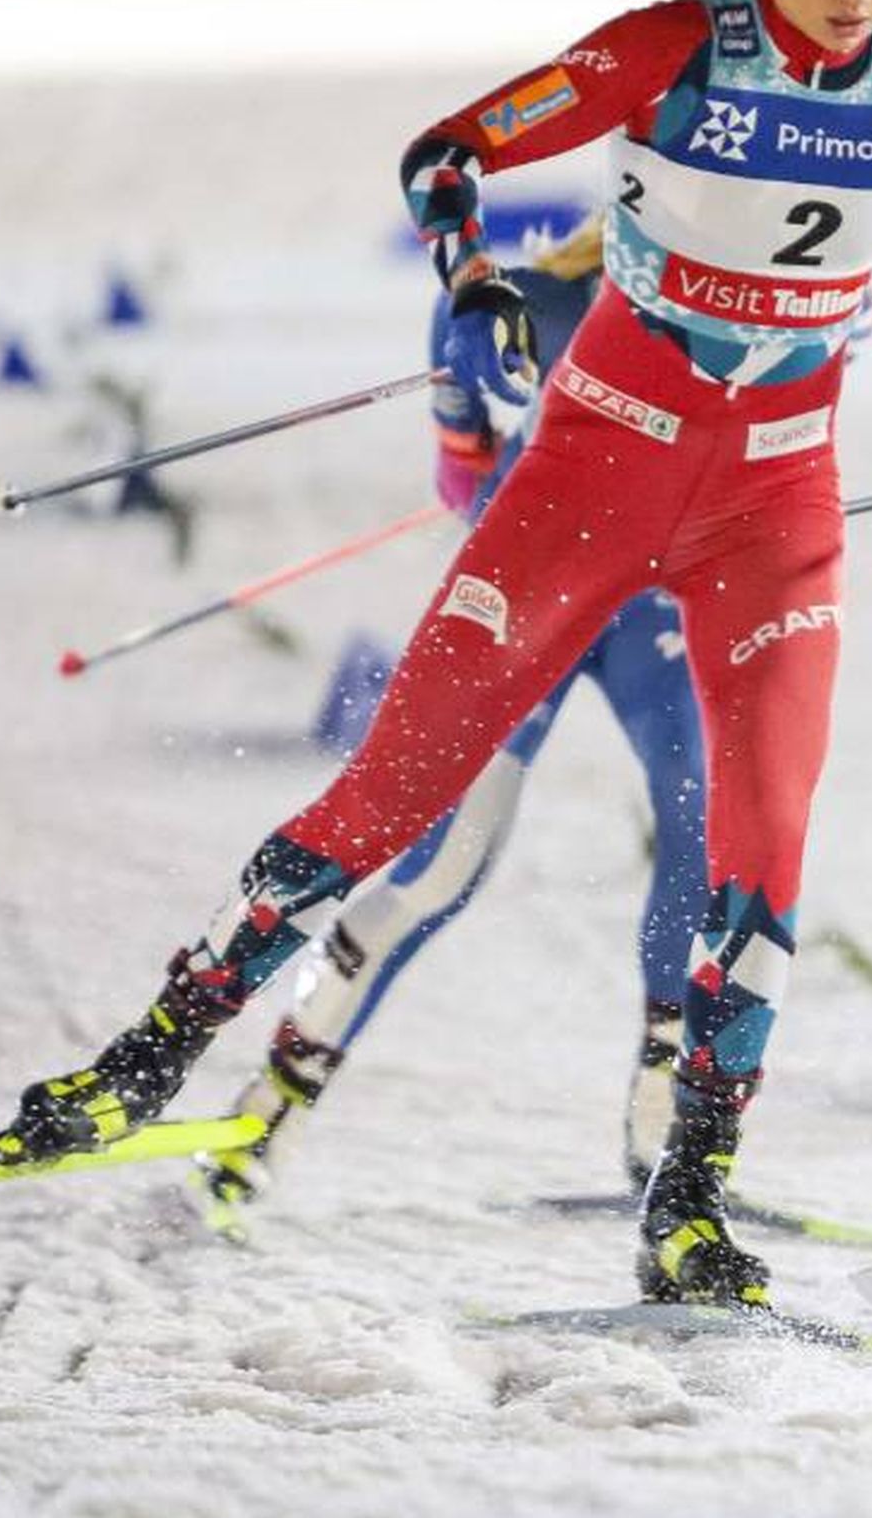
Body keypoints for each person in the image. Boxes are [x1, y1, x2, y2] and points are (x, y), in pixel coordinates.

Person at [0, 0, 872, 1313]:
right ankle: (138, 1070)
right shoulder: (674, 45)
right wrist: (476, 280)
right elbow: (447, 156)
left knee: (760, 854)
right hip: (596, 467)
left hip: (777, 505)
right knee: (394, 797)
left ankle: (687, 1201)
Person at [183, 215, 715, 1234]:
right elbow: (461, 474)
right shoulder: (527, 302)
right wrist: (531, 510)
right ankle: (269, 1113)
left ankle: (671, 1144)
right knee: (439, 867)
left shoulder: (759, 296)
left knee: (706, 824)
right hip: (541, 595)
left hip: (657, 605)